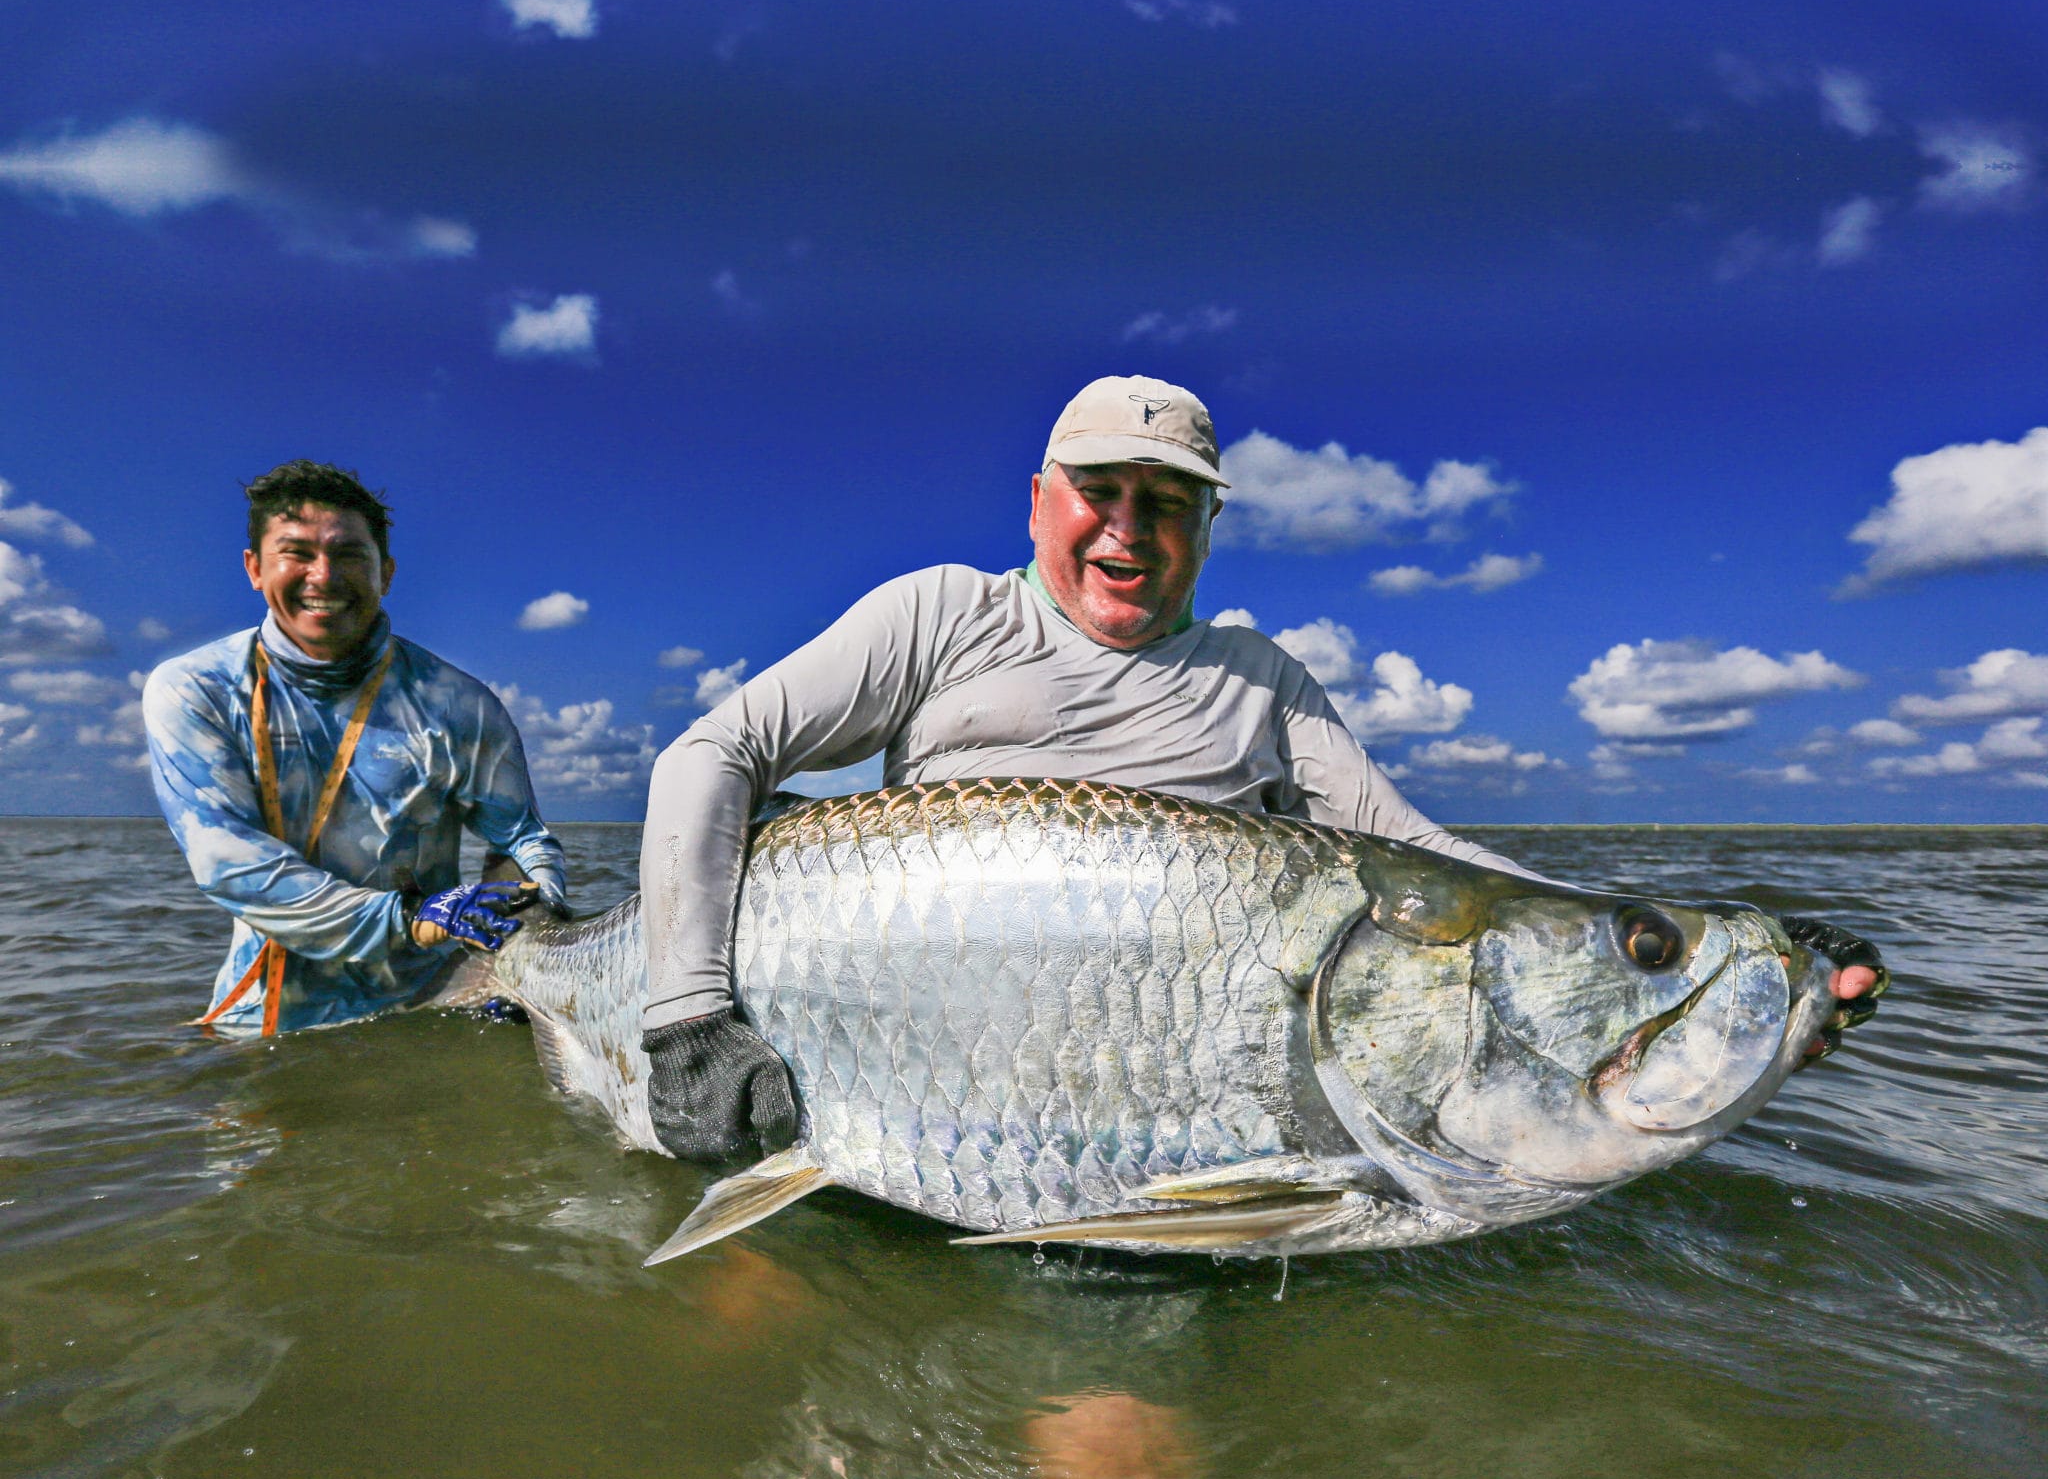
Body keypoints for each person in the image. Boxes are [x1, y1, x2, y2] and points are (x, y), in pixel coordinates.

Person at [638, 376, 1883, 1160]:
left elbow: (1431, 866)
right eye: (1098, 491)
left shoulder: (1260, 678)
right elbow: (714, 755)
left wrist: (1699, 973)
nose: (1127, 527)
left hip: (1153, 1108)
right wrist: (688, 1018)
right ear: (1037, 501)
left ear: (1206, 529)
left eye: (1167, 502)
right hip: (858, 1038)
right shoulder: (939, 614)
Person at [144, 460, 569, 1035]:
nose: (323, 576)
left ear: (386, 571)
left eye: (348, 555)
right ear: (253, 568)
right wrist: (411, 919)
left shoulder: (458, 702)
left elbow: (519, 838)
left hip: (438, 1001)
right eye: (296, 553)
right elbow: (229, 864)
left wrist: (517, 955)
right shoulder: (197, 689)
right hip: (268, 1016)